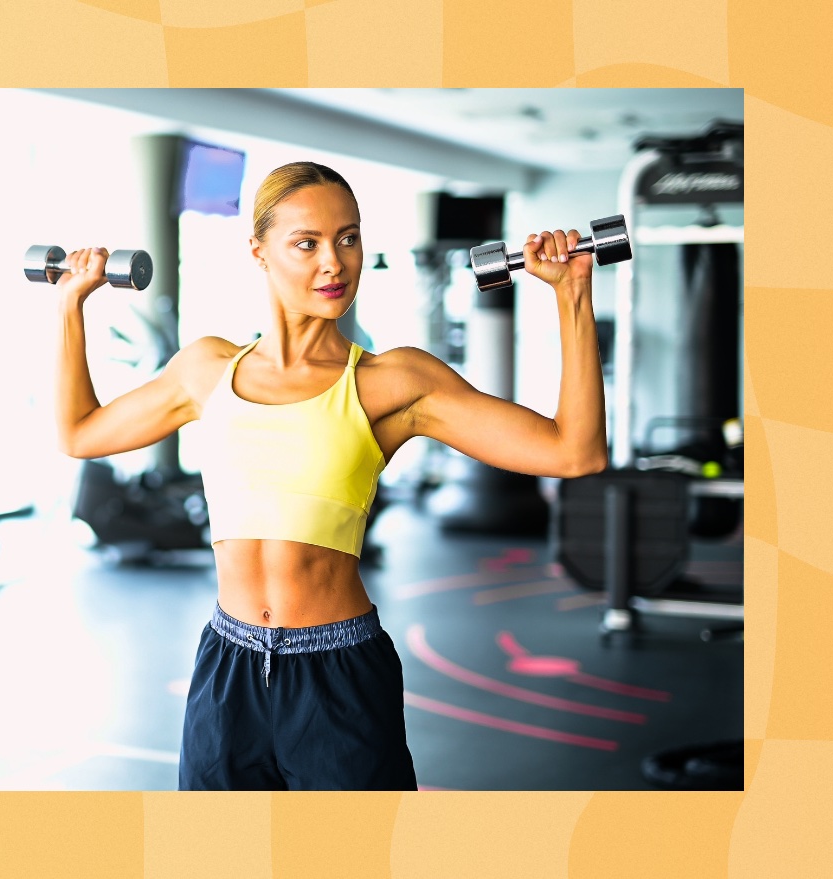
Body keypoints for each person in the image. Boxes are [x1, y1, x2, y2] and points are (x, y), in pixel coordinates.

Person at [54, 161, 608, 791]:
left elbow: (575, 453)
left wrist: (573, 295)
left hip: (337, 671)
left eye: (348, 238)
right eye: (307, 243)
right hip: (226, 667)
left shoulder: (393, 382)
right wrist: (71, 304)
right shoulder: (204, 369)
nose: (334, 263)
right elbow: (80, 433)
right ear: (258, 252)